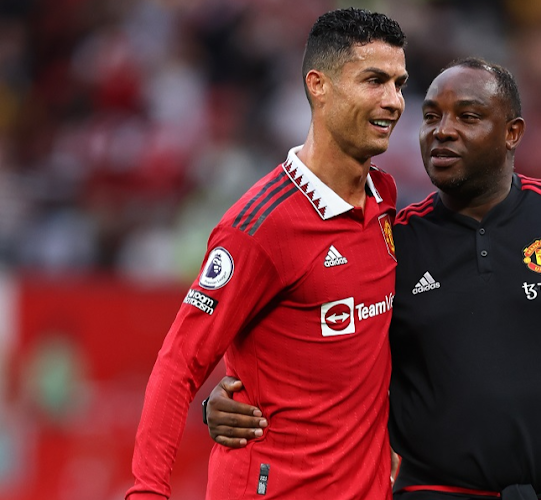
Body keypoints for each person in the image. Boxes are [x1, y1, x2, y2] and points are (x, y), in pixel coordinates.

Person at [204, 58, 541, 499]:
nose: (443, 131)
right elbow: (316, 357)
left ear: (512, 133)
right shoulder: (391, 242)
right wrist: (225, 400)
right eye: (432, 117)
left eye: (468, 116)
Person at [125, 8, 408, 500]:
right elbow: (178, 365)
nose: (394, 101)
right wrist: (147, 492)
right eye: (374, 81)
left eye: (400, 83)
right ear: (318, 85)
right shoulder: (257, 228)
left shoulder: (384, 199)